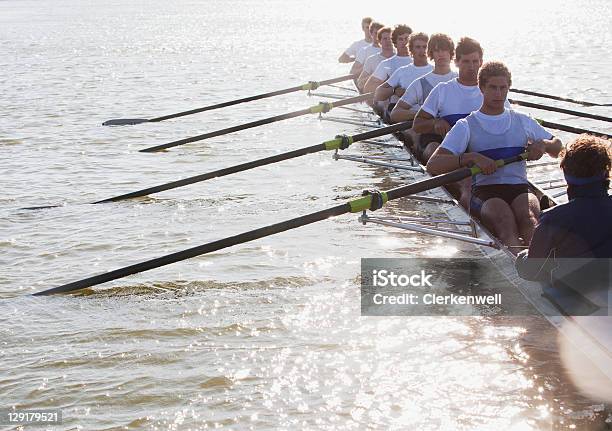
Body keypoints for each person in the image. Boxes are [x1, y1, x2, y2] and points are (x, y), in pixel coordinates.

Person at [426, 61, 563, 248]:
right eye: (493, 88)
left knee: (530, 219)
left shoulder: (522, 120)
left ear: (508, 88)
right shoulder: (466, 125)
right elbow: (434, 164)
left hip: (519, 188)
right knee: (505, 221)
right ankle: (521, 268)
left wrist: (543, 145)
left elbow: (558, 147)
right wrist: (471, 157)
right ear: (481, 87)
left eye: (503, 88)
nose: (498, 94)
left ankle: (539, 268)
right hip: (484, 190)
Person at [516, 135, 611, 270]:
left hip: (572, 288)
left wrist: (524, 257)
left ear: (565, 172)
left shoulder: (552, 219)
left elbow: (530, 272)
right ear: (606, 172)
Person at [390, 33, 457, 128]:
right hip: (431, 135)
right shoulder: (420, 83)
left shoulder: (461, 79)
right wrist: (424, 114)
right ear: (431, 53)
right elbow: (395, 114)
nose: (441, 54)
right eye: (437, 50)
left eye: (444, 50)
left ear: (451, 53)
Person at [373, 32, 432, 118]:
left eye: (425, 47)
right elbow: (378, 94)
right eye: (418, 47)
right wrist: (394, 91)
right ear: (411, 50)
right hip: (407, 118)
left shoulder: (435, 71)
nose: (422, 51)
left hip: (429, 118)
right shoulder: (402, 71)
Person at [362, 24, 413, 94]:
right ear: (395, 43)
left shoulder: (422, 62)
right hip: (394, 104)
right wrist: (393, 89)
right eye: (401, 39)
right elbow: (368, 88)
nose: (405, 42)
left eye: (407, 39)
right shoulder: (386, 64)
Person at [357, 26, 395, 92]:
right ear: (379, 41)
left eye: (390, 38)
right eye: (385, 39)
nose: (388, 41)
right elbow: (360, 84)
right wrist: (376, 76)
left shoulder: (401, 59)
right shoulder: (371, 60)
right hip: (376, 98)